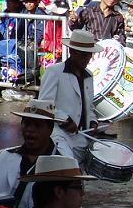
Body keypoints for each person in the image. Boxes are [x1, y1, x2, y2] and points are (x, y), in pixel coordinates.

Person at [37, 30, 100, 162]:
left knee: (77, 177)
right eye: (83, 55)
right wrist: (64, 119)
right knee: (68, 169)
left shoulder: (89, 75)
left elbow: (89, 106)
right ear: (72, 52)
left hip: (83, 136)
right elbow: (44, 106)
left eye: (89, 55)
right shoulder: (54, 72)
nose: (87, 59)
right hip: (59, 134)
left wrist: (93, 121)